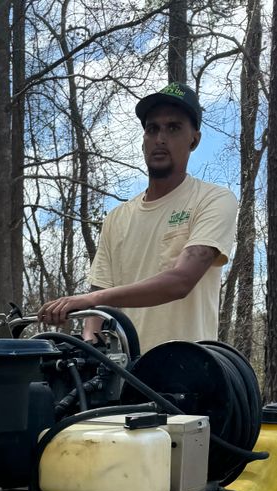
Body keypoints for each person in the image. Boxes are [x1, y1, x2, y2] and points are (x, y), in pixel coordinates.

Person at [38, 83, 238, 352]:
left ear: (194, 139)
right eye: (152, 129)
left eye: (173, 128)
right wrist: (90, 349)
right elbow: (95, 314)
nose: (160, 138)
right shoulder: (117, 218)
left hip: (190, 378)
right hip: (123, 379)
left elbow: (181, 281)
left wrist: (89, 299)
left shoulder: (213, 199)